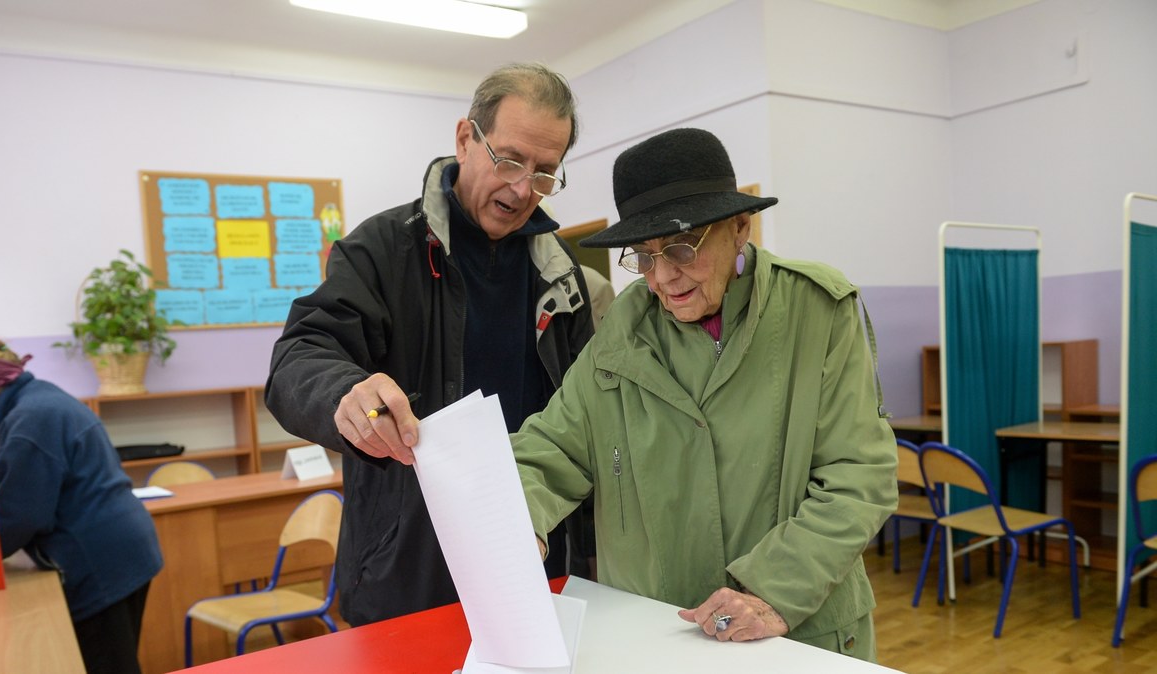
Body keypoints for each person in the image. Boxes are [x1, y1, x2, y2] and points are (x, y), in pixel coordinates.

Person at [510, 128, 899, 661]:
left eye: (680, 247)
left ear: (741, 228)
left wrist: (771, 592)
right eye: (643, 257)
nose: (662, 278)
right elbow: (552, 448)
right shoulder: (624, 329)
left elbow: (859, 477)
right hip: (660, 631)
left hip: (797, 631)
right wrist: (513, 522)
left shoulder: (817, 310)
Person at [265, 62, 595, 627]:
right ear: (467, 138)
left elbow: (587, 417)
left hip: (532, 561)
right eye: (510, 159)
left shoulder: (561, 276)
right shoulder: (381, 250)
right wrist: (345, 392)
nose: (522, 189)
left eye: (545, 172)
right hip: (405, 571)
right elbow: (298, 356)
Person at [0, 335, 162, 674]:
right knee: (116, 661)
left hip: (101, 558)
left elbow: (19, 514)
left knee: (107, 664)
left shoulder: (29, 419)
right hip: (124, 547)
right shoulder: (40, 399)